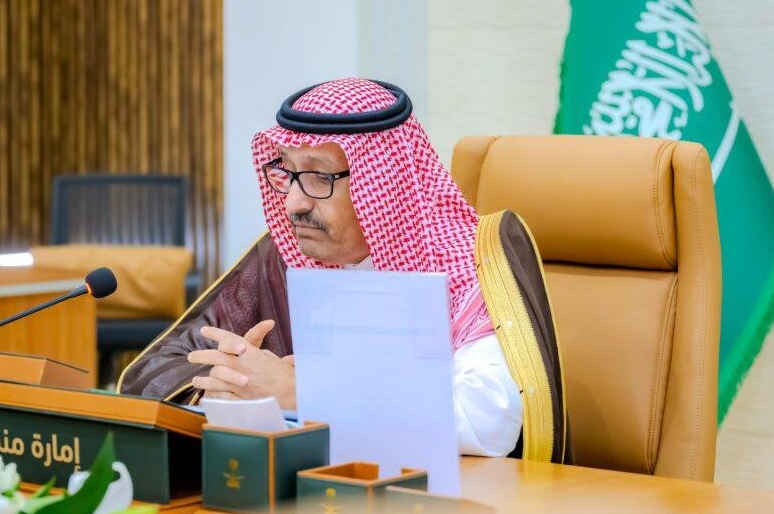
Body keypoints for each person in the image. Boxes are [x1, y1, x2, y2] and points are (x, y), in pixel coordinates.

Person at [119, 78, 568, 461]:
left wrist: (306, 395)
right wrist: (228, 388)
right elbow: (155, 371)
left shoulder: (468, 262)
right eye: (288, 174)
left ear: (385, 185)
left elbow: (487, 419)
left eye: (319, 177)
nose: (293, 204)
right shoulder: (282, 257)